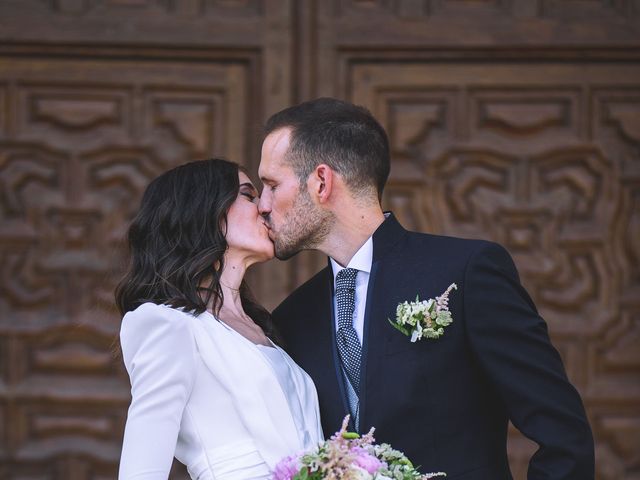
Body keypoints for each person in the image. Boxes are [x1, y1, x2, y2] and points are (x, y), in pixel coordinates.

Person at [258, 98, 595, 479]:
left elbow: (563, 435)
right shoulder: (293, 316)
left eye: (271, 185)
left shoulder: (465, 274)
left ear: (321, 181)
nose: (262, 205)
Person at [115, 159, 322, 480]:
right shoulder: (164, 323)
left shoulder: (264, 329)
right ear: (203, 210)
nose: (265, 207)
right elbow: (141, 470)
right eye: (248, 195)